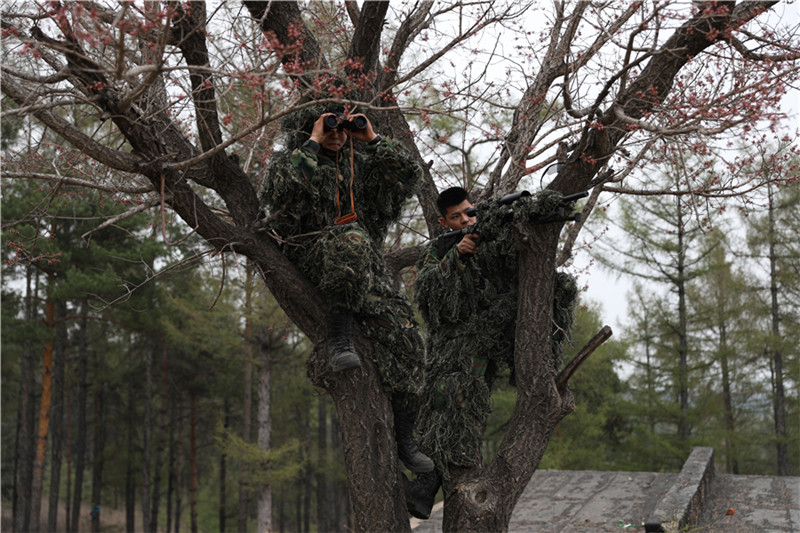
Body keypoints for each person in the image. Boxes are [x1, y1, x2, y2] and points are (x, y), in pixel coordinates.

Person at [258, 103, 433, 473]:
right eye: (331, 128)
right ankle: (340, 337)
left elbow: (408, 176)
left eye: (342, 129)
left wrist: (370, 137)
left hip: (358, 266)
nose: (338, 135)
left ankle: (405, 439)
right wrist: (314, 140)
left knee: (406, 333)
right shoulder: (294, 160)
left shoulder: (358, 165)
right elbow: (280, 189)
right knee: (351, 239)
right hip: (312, 252)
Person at [405, 186, 579, 518]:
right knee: (437, 412)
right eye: (455, 217)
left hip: (481, 345)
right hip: (449, 347)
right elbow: (428, 296)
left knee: (457, 409)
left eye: (468, 213)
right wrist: (459, 255)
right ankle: (426, 487)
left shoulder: (495, 244)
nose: (463, 220)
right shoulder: (440, 251)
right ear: (444, 222)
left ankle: (425, 487)